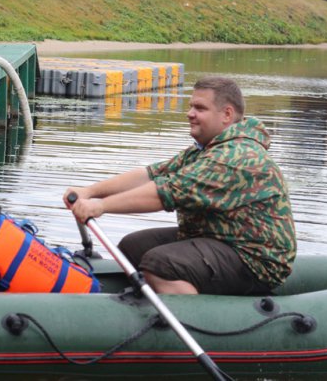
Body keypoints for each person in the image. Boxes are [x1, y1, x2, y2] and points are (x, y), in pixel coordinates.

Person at [64, 76, 296, 295]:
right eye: (191, 106)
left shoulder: (234, 157)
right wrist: (89, 192)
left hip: (254, 259)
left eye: (200, 108)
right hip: (219, 238)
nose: (190, 114)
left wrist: (100, 206)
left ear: (226, 114)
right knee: (133, 246)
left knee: (159, 263)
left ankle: (193, 320)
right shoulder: (207, 149)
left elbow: (165, 193)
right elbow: (151, 175)